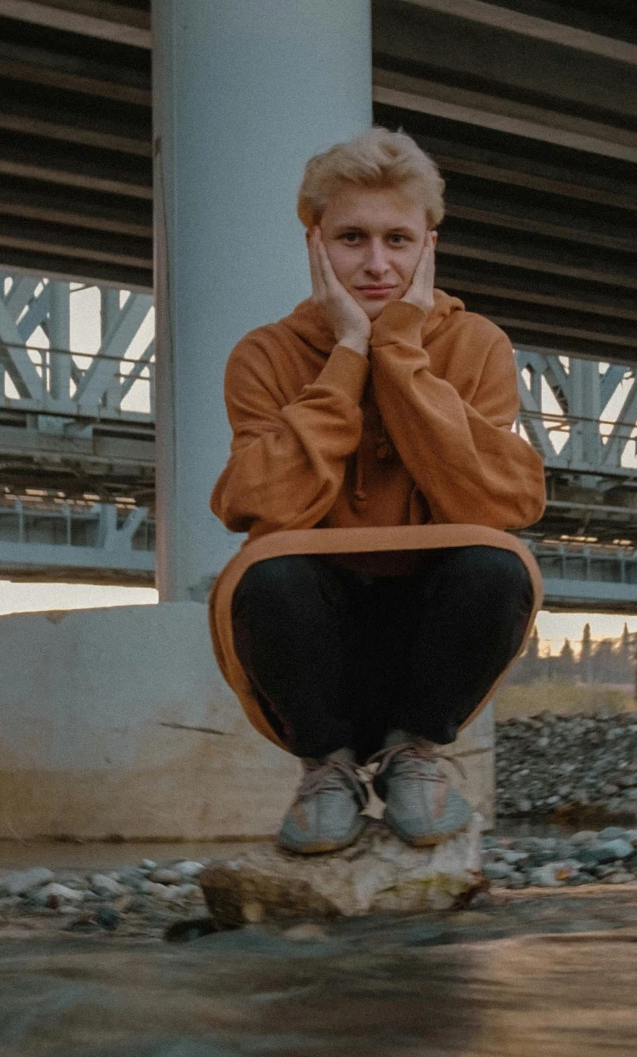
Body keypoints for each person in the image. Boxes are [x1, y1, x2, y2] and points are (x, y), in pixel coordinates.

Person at [209, 127, 546, 855]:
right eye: (351, 238)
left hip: (429, 638)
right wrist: (348, 352)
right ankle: (324, 767)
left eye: (398, 241)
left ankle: (412, 754)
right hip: (315, 645)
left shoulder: (477, 345)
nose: (374, 264)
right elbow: (261, 505)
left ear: (429, 244)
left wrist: (397, 348)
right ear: (314, 242)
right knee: (265, 576)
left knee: (495, 564)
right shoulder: (263, 355)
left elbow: (495, 505)